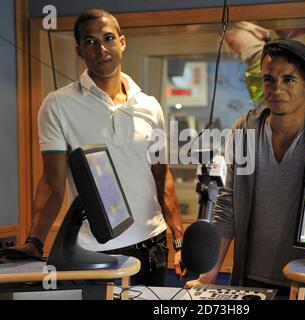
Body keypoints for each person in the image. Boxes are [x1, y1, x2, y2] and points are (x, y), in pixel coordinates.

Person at [14, 8, 186, 286]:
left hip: (153, 244)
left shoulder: (150, 105)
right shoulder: (58, 104)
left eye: (108, 38)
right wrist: (35, 239)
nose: (101, 48)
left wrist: (178, 239)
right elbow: (52, 181)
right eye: (90, 41)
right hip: (94, 250)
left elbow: (162, 176)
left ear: (122, 41)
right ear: (80, 51)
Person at [185, 39, 305, 296]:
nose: (276, 88)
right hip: (252, 279)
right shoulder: (245, 129)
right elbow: (228, 205)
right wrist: (208, 275)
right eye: (268, 79)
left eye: (288, 79)